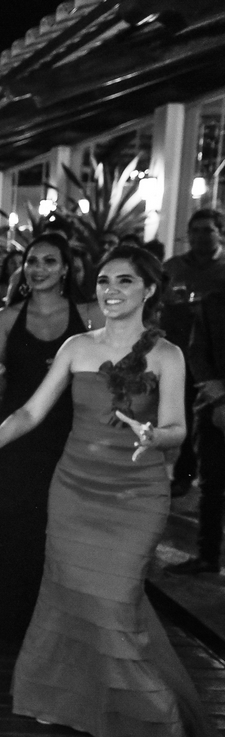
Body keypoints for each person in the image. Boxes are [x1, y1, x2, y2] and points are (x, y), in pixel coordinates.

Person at [0, 246, 220, 737]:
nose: (112, 290)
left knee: (115, 604)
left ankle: (143, 721)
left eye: (125, 281)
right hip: (74, 488)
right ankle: (71, 702)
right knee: (72, 594)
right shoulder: (78, 346)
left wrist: (154, 434)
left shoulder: (167, 355)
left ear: (149, 289)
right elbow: (31, 410)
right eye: (104, 281)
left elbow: (177, 429)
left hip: (136, 496)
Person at [0, 232, 102, 647]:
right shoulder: (5, 319)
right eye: (33, 261)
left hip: (70, 439)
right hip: (17, 439)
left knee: (61, 533)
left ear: (66, 268)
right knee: (12, 533)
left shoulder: (89, 316)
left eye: (50, 261)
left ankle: (59, 629)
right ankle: (10, 630)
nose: (39, 269)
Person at [166, 209, 225, 565]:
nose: (202, 236)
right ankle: (206, 553)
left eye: (209, 230)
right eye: (196, 230)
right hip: (199, 376)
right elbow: (195, 346)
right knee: (204, 459)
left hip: (213, 379)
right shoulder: (176, 269)